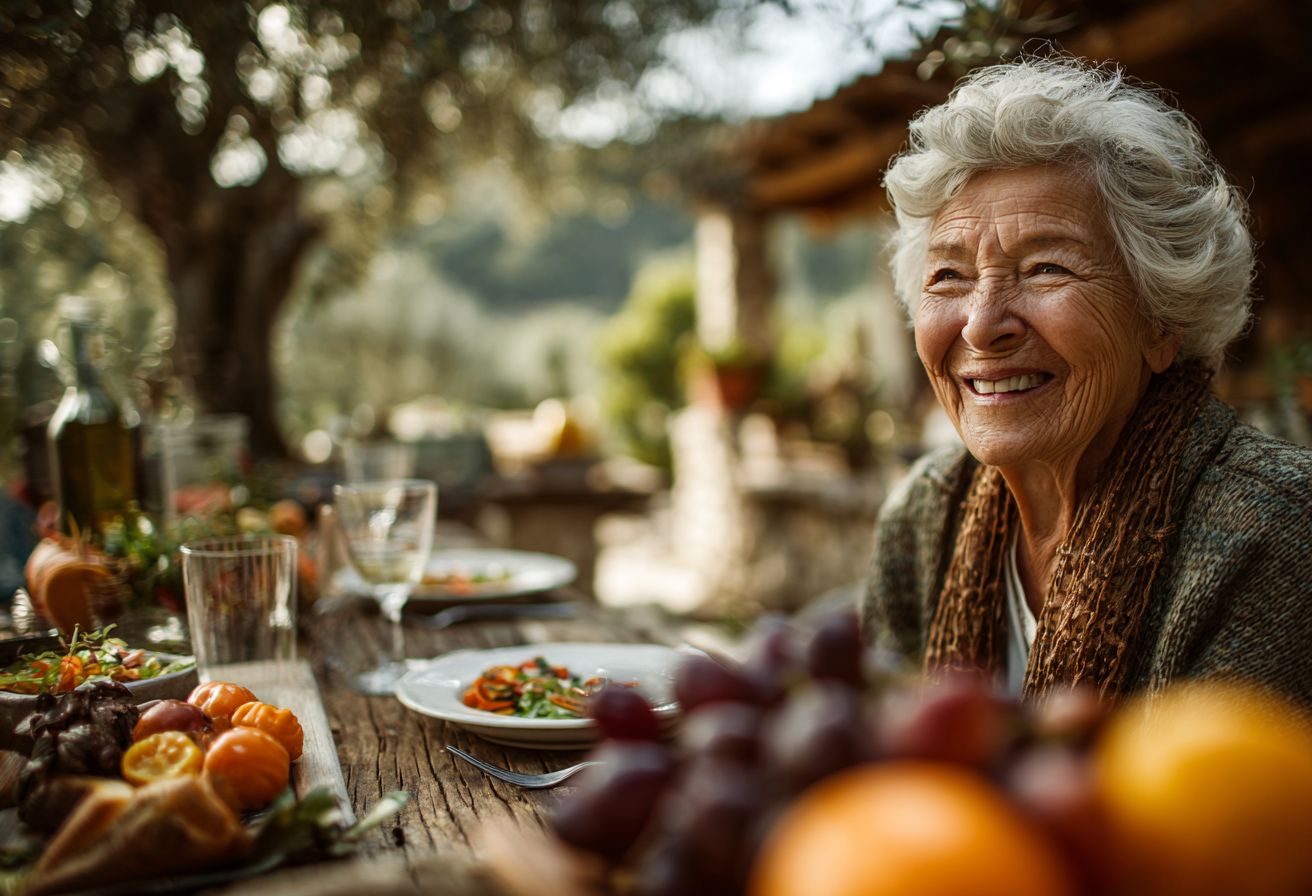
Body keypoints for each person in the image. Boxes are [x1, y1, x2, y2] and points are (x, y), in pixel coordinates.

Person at [862, 57, 1312, 705]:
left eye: (1047, 268)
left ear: (1163, 321)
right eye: (948, 277)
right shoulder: (924, 515)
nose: (983, 326)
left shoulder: (1277, 534)